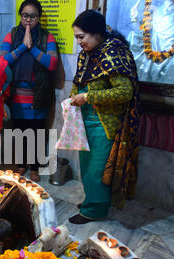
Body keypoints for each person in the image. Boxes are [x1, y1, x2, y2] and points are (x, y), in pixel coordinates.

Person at [67, 10, 140, 224]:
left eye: (82, 37)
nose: (79, 42)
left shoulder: (113, 52)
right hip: (84, 120)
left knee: (97, 170)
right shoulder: (88, 54)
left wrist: (88, 97)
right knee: (86, 166)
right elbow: (79, 80)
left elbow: (124, 92)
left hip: (103, 123)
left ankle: (94, 211)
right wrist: (73, 97)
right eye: (76, 38)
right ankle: (92, 201)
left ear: (97, 33)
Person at [0, 0, 59, 182]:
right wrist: (23, 46)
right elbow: (2, 62)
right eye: (25, 15)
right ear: (21, 15)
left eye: (33, 16)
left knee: (37, 132)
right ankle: (21, 164)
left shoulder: (46, 37)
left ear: (39, 18)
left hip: (38, 94)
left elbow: (52, 63)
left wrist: (32, 48)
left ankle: (35, 167)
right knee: (18, 131)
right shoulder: (12, 34)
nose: (28, 20)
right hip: (17, 93)